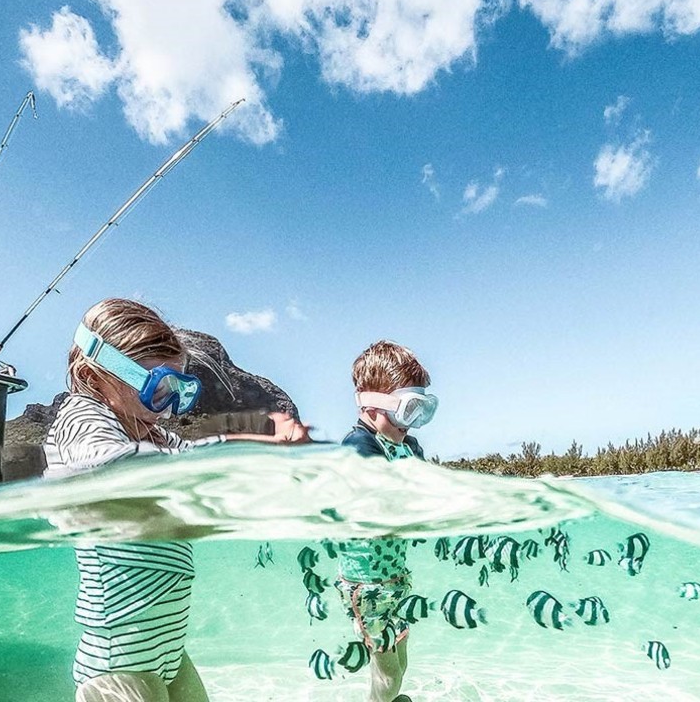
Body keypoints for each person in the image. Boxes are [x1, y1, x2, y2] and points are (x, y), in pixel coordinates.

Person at [44, 298, 309, 702]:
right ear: (95, 375)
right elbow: (109, 465)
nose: (167, 407)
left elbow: (191, 460)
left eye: (180, 391)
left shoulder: (153, 434)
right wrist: (221, 452)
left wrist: (262, 454)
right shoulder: (82, 416)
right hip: (119, 659)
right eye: (159, 388)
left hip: (168, 650)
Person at [337, 340, 438, 702]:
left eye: (422, 412)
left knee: (401, 658)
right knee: (388, 669)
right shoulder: (358, 446)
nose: (412, 425)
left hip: (396, 577)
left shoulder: (409, 447)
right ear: (373, 403)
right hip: (365, 584)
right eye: (409, 410)